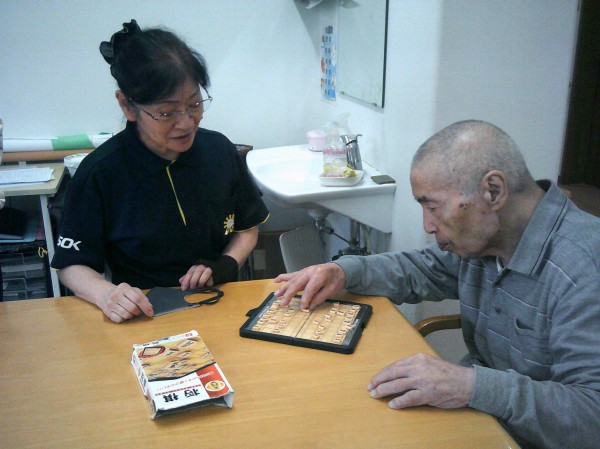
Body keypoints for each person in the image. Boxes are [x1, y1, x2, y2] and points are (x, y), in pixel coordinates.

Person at [274, 120, 600, 449]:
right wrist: (343, 271)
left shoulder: (583, 268)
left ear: (493, 191)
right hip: (483, 418)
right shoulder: (488, 240)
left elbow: (592, 417)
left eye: (433, 207)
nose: (428, 226)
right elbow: (419, 268)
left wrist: (471, 385)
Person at [51, 20, 269, 323]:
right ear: (127, 106)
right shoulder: (101, 172)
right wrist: (106, 294)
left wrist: (226, 264)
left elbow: (247, 226)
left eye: (194, 103)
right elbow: (71, 265)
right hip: (145, 313)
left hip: (222, 303)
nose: (186, 123)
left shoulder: (219, 150)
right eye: (166, 112)